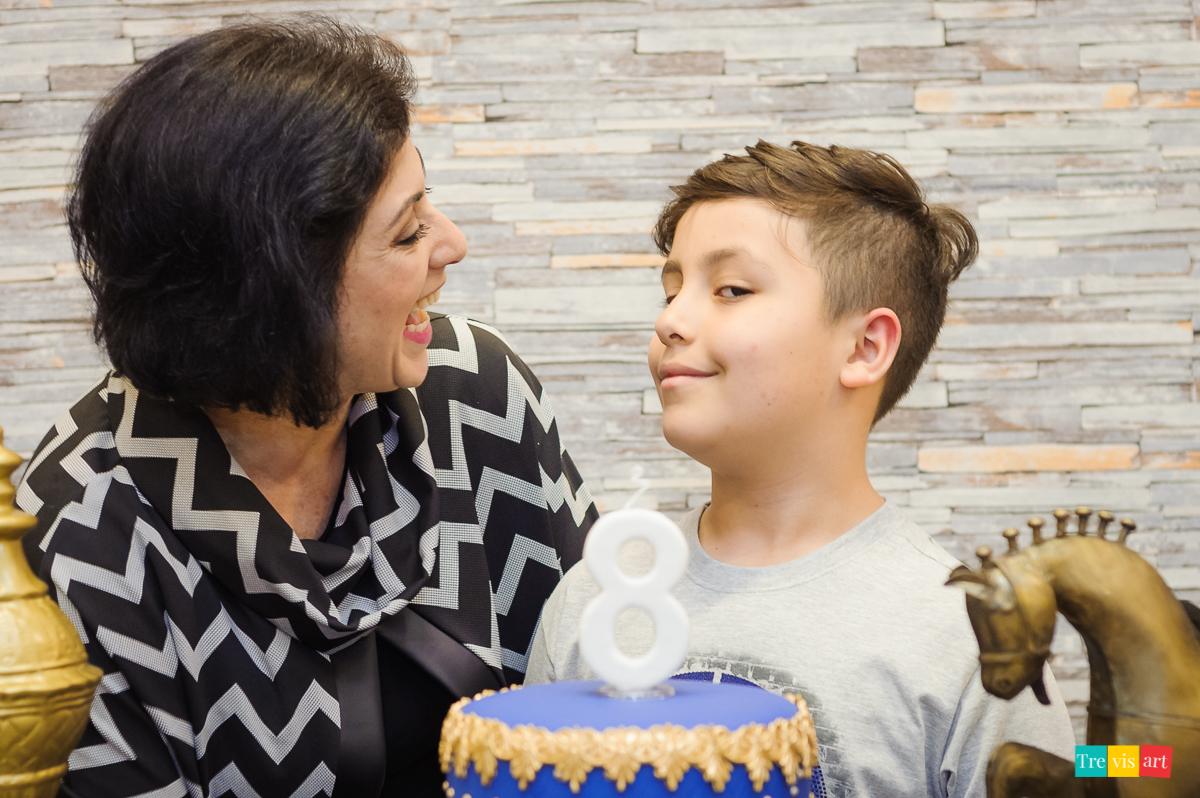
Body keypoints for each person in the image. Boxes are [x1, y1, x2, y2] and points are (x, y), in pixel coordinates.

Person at [16, 18, 596, 798]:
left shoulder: (474, 393)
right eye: (407, 232)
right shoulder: (84, 534)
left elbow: (605, 690)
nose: (451, 244)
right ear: (274, 293)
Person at [525, 141, 1077, 797]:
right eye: (671, 289)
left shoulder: (969, 639)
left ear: (866, 347)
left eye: (730, 289)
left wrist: (1149, 758)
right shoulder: (593, 600)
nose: (670, 319)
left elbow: (1104, 764)